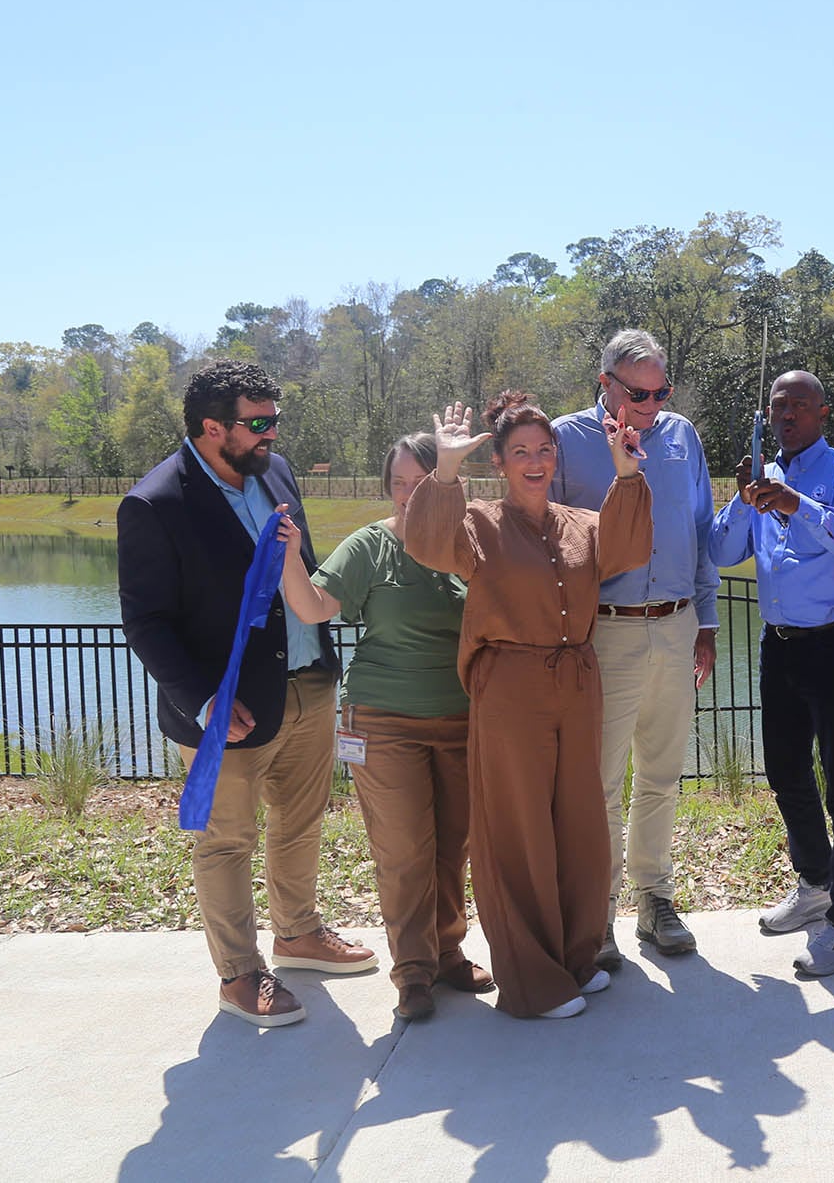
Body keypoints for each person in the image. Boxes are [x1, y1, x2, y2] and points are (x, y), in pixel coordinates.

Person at [117, 359, 375, 1028]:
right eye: (256, 423)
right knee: (226, 841)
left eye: (273, 421)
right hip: (226, 709)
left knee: (301, 820)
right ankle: (238, 972)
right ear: (211, 428)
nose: (270, 435)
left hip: (309, 683)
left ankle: (298, 934)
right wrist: (204, 700)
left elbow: (303, 570)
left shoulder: (276, 472)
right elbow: (146, 622)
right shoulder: (155, 503)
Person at [405, 393, 652, 1019]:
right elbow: (426, 544)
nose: (535, 461)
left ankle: (575, 957)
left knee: (579, 825)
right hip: (511, 689)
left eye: (545, 450)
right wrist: (445, 471)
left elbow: (628, 550)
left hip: (576, 682)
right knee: (518, 832)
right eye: (521, 452)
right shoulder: (478, 522)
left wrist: (627, 473)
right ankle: (532, 980)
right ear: (500, 461)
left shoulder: (581, 522)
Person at [275, 432, 494, 1021]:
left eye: (419, 482)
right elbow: (315, 607)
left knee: (453, 848)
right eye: (397, 483)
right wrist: (291, 556)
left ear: (447, 484)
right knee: (405, 850)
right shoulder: (371, 546)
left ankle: (448, 951)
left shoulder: (473, 543)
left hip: (460, 717)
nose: (406, 495)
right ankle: (413, 973)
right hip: (382, 721)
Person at [551, 330, 719, 964]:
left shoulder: (681, 438)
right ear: (606, 384)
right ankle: (599, 916)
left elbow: (701, 529)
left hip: (675, 626)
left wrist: (705, 623)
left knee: (662, 776)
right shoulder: (566, 440)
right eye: (637, 391)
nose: (651, 404)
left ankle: (655, 900)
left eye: (660, 391)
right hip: (605, 630)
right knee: (598, 782)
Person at [708, 371, 834, 976]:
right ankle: (815, 884)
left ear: (822, 413)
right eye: (778, 406)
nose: (786, 416)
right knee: (786, 772)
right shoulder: (761, 475)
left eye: (799, 407)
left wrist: (797, 504)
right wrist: (741, 497)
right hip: (779, 643)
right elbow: (721, 552)